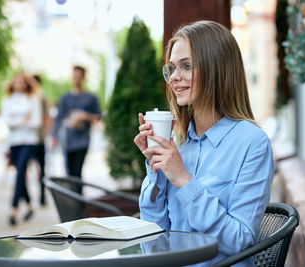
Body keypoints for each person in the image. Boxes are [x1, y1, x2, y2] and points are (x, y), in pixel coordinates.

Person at [134, 21, 274, 266]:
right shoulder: (179, 143)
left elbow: (240, 239)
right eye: (172, 68)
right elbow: (155, 235)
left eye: (186, 66)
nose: (175, 78)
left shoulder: (252, 143)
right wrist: (155, 168)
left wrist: (182, 179)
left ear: (217, 68)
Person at [1, 72, 42, 226]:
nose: (19, 84)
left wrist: (17, 121)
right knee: (20, 173)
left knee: (20, 172)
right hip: (14, 142)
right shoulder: (7, 99)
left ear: (26, 83)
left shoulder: (33, 99)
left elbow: (36, 122)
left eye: (22, 81)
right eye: (16, 81)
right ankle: (30, 205)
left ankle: (14, 209)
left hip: (29, 141)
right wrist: (24, 119)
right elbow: (7, 122)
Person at [51, 66, 101, 191]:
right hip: (67, 140)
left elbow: (98, 117)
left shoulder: (91, 98)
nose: (76, 80)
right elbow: (58, 118)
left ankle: (79, 203)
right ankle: (72, 202)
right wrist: (54, 137)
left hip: (82, 141)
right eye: (75, 77)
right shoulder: (65, 98)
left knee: (77, 172)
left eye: (79, 77)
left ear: (83, 78)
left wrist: (86, 116)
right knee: (69, 173)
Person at [32, 74, 50, 206]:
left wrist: (46, 133)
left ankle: (42, 196)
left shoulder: (42, 98)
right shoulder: (27, 98)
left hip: (39, 139)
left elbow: (46, 117)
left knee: (41, 169)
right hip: (27, 140)